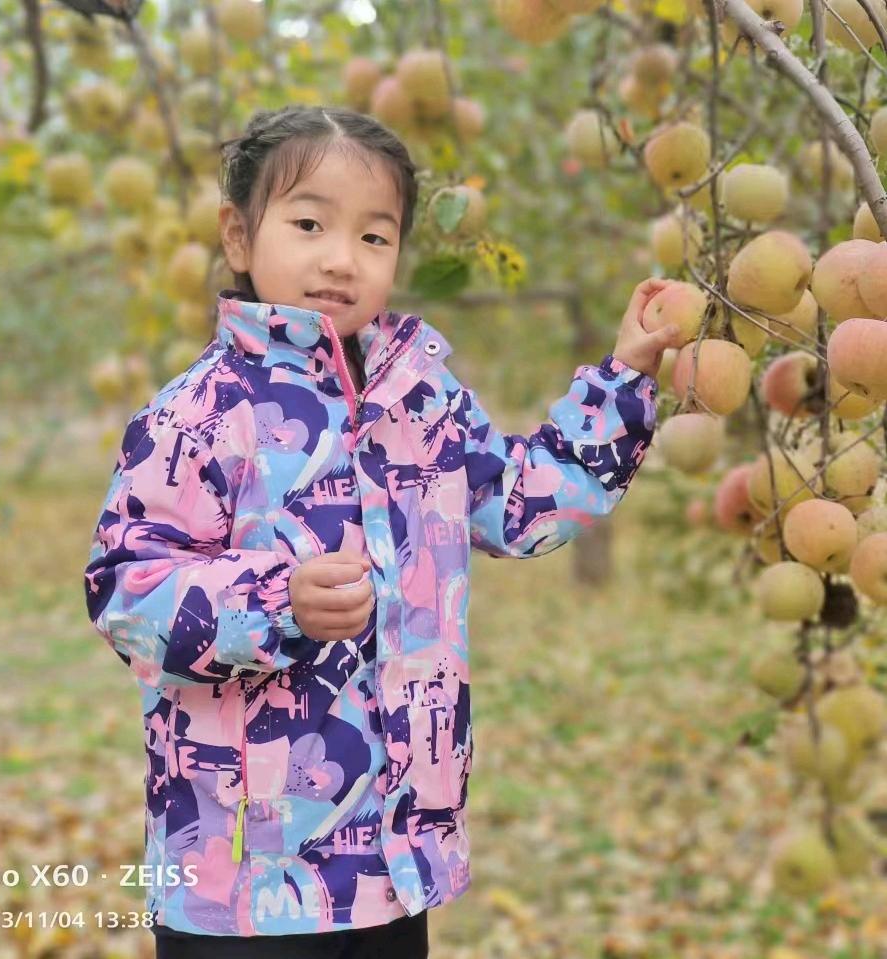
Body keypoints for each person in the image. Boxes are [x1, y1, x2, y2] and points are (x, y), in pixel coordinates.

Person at [83, 104, 680, 958]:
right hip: (244, 882)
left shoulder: (422, 402)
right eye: (309, 223)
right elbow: (124, 589)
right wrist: (275, 599)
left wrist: (624, 377)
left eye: (374, 236)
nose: (340, 258)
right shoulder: (199, 415)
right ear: (238, 236)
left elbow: (521, 503)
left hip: (393, 867)